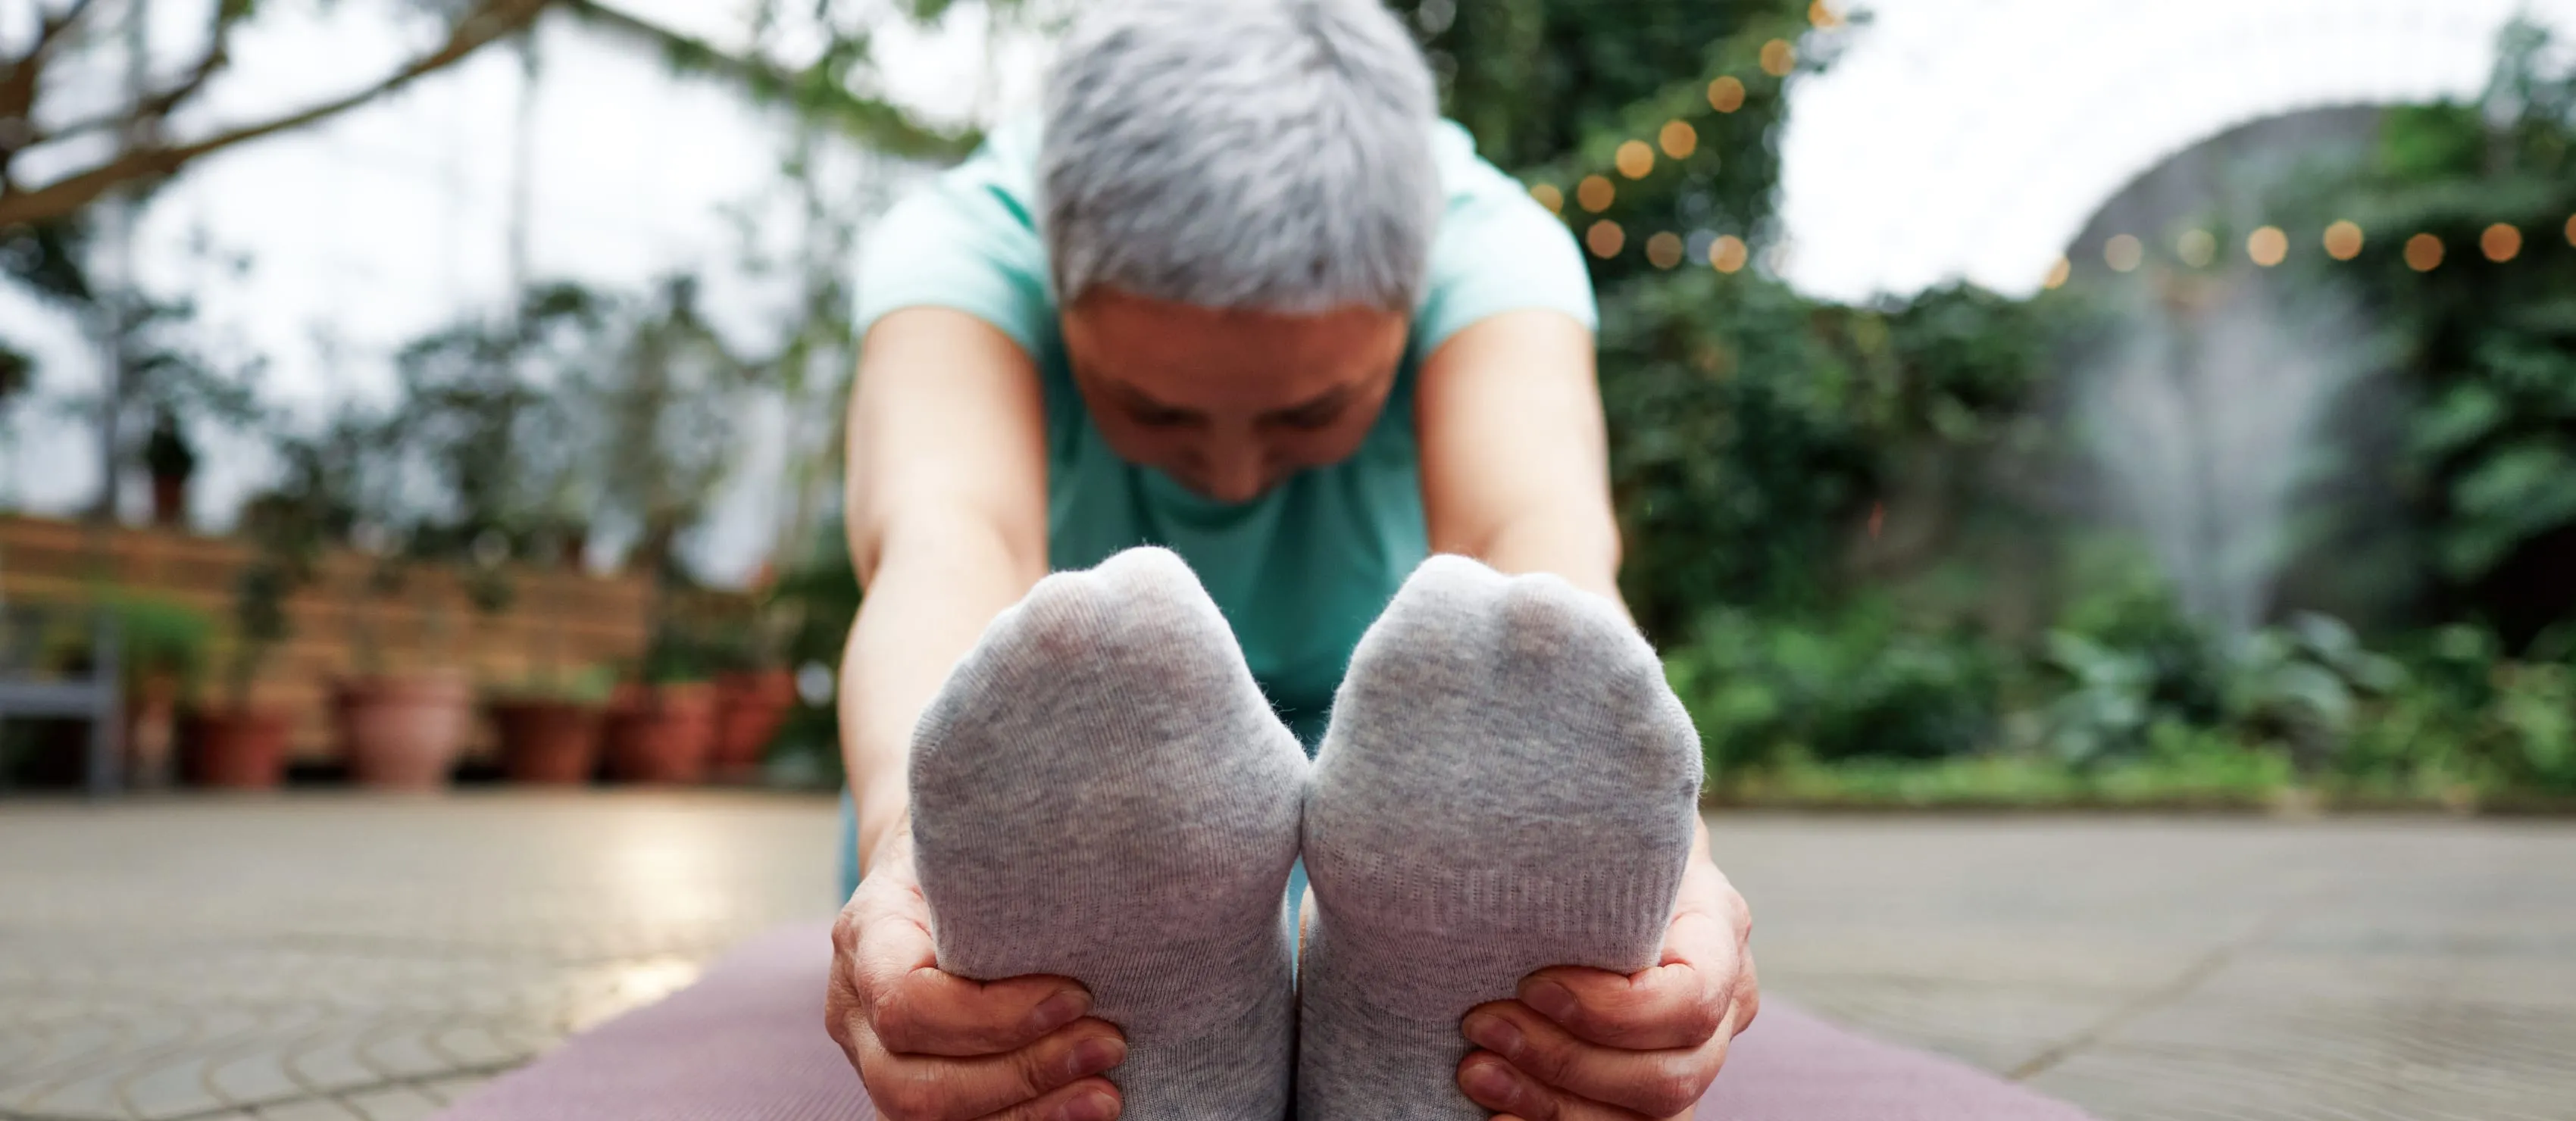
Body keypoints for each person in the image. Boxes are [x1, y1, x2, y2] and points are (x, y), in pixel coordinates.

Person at [826, 0, 1758, 1118]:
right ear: (1056, 285)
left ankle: (1347, 1003)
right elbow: (945, 543)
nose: (1227, 477)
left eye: (1312, 411)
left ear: (1410, 295)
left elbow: (1541, 567)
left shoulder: (1493, 246)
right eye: (1152, 410)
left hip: (1393, 775)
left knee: (1490, 764)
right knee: (1006, 818)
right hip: (1066, 783)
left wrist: (1675, 873)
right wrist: (905, 847)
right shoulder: (964, 244)